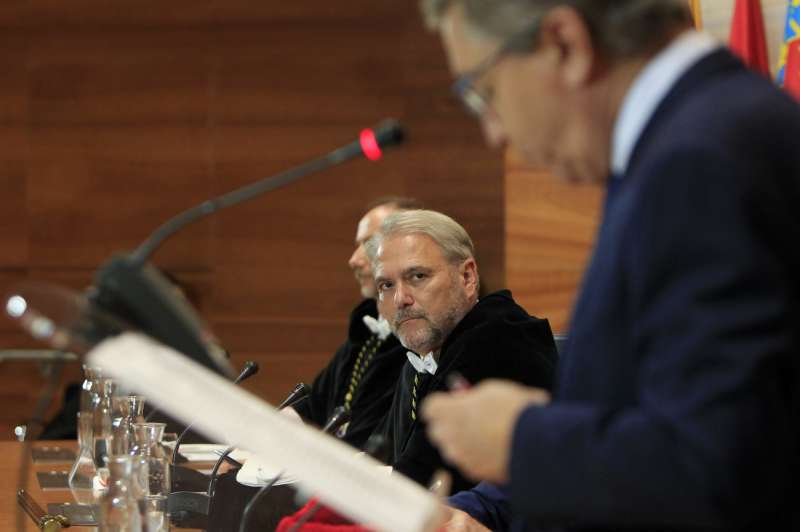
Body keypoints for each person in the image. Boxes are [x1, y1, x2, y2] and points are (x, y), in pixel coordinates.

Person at [419, 1, 800, 531]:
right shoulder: (701, 137)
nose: (495, 134)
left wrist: (522, 439)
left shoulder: (699, 162)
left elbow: (719, 468)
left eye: (485, 91)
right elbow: (661, 411)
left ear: (565, 44)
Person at [366, 209, 557, 494]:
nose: (400, 299)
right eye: (386, 285)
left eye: (418, 276)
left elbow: (418, 482)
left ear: (467, 277)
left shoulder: (499, 339)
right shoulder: (420, 359)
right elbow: (384, 454)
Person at [289, 196, 421, 449]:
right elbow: (313, 406)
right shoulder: (366, 327)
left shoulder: (421, 336)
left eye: (369, 244)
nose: (354, 260)